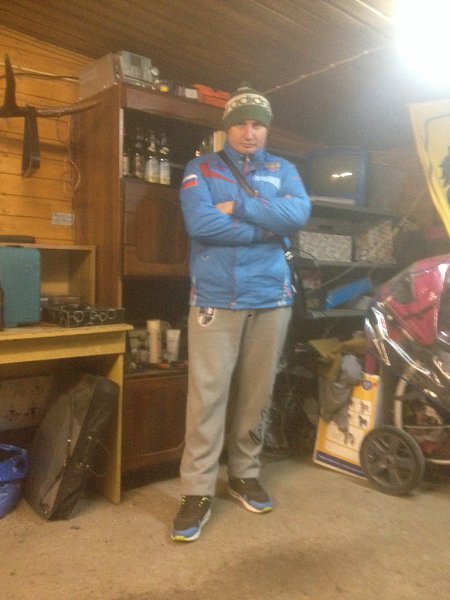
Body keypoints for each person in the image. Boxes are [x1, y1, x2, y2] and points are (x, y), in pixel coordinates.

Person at [172, 83, 311, 542]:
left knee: (257, 394)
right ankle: (197, 490)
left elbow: (298, 213)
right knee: (207, 398)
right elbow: (201, 223)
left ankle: (244, 475)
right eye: (240, 124)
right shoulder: (201, 168)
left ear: (266, 129)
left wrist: (243, 207)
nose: (249, 132)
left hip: (272, 298)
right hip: (216, 298)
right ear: (227, 128)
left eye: (257, 124)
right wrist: (265, 229)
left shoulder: (284, 170)